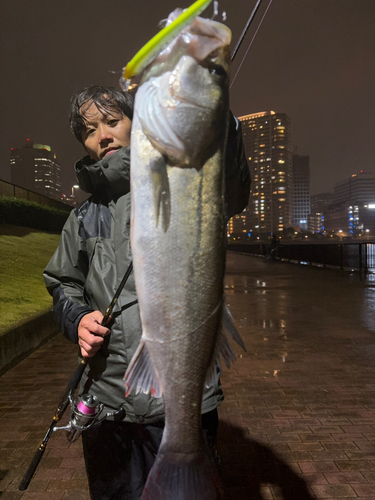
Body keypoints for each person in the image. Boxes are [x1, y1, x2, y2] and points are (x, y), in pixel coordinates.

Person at [43, 85, 250, 500]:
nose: (102, 135)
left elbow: (231, 185)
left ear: (138, 123)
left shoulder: (180, 187)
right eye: (89, 129)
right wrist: (78, 319)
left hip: (183, 405)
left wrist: (215, 115)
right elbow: (63, 282)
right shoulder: (83, 217)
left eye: (112, 121)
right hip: (107, 406)